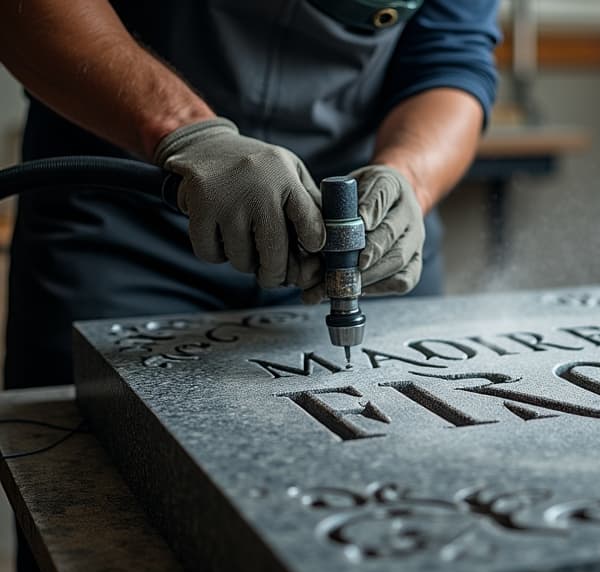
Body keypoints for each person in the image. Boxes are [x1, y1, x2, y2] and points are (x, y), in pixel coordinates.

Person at [0, 0, 500, 392]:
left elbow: (452, 56)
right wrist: (186, 133)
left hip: (350, 236)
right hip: (125, 221)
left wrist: (409, 179)